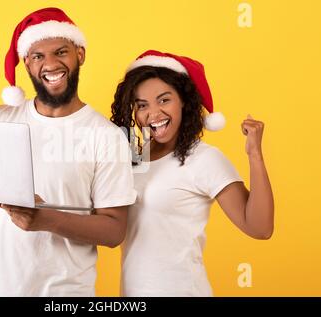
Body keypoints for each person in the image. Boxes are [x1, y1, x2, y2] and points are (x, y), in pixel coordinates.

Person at [0, 7, 136, 296]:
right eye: (38, 56)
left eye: (61, 52)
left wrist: (47, 219)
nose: (50, 64)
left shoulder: (108, 137)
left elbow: (114, 231)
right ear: (26, 63)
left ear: (80, 54)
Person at [110, 50, 274, 296]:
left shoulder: (204, 158)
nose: (153, 114)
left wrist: (255, 155)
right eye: (142, 105)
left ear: (184, 101)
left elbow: (260, 228)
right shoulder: (133, 160)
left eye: (164, 100)